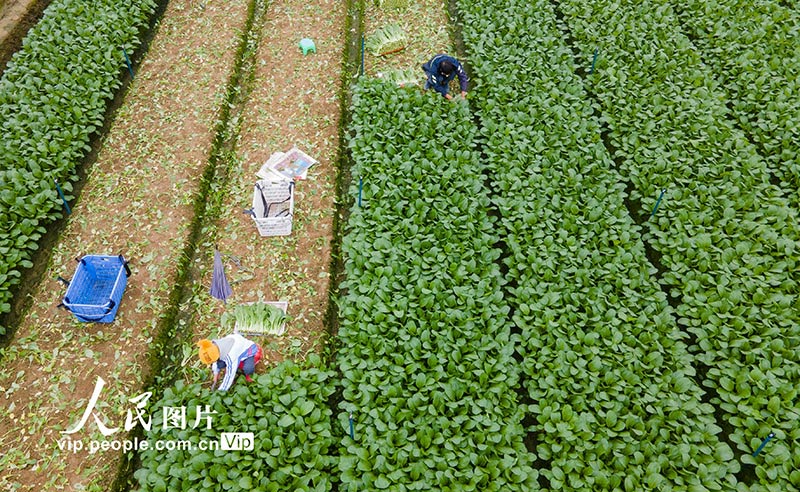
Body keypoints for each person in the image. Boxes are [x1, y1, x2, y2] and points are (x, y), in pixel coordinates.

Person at [197, 334, 262, 391]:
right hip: (236, 344)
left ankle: (249, 375)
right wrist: (216, 373)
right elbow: (214, 361)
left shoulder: (230, 356)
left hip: (248, 351)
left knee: (248, 368)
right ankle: (237, 363)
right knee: (220, 364)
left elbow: (230, 375)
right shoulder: (212, 346)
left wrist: (221, 391)